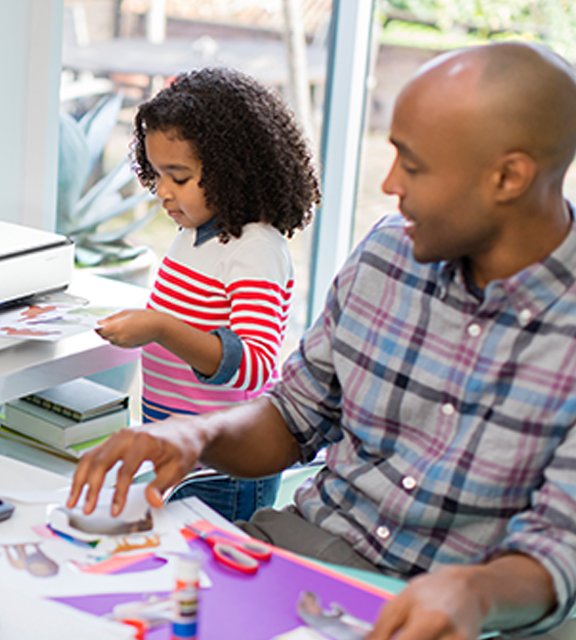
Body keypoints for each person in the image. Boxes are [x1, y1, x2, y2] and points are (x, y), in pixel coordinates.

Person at [69, 41, 576, 639]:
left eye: (412, 166)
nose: (389, 186)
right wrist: (190, 434)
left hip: (456, 613)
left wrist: (474, 591)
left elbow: (560, 546)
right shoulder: (387, 255)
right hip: (297, 554)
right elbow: (291, 418)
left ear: (508, 177)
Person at [94, 67, 320, 522]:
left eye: (178, 177)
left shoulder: (255, 248)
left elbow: (254, 364)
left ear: (233, 171)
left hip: (225, 471)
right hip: (180, 454)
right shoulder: (192, 233)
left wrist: (158, 327)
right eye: (157, 175)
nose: (162, 191)